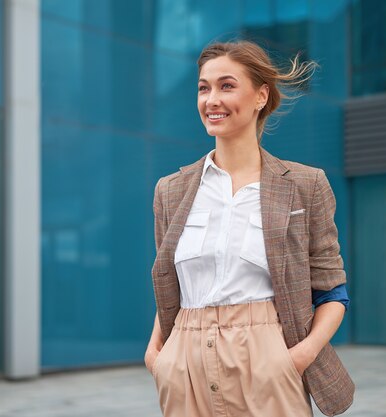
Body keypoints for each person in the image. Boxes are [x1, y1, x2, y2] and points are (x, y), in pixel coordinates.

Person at [145, 40, 355, 417]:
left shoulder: (305, 184)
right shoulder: (170, 191)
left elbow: (332, 292)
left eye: (226, 86)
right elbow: (169, 284)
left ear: (261, 96)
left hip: (268, 360)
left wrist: (295, 358)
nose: (211, 99)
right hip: (184, 365)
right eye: (203, 87)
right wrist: (158, 355)